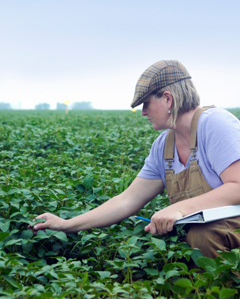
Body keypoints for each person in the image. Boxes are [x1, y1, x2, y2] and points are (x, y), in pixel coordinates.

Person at [32, 60, 240, 258]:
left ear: (168, 99)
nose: (143, 113)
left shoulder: (215, 124)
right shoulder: (163, 146)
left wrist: (180, 208)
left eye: (146, 104)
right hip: (206, 237)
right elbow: (127, 200)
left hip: (228, 228)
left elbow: (238, 185)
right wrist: (66, 224)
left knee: (202, 236)